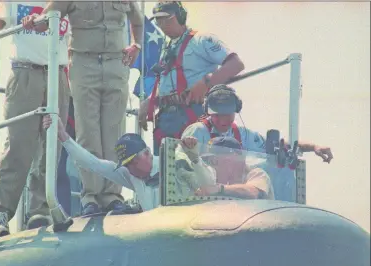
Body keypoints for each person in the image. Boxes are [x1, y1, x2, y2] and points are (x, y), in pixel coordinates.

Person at [23, 1, 145, 216]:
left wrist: (137, 44)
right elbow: (48, 17)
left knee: (114, 134)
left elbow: (138, 20)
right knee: (88, 134)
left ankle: (112, 196)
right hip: (83, 64)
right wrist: (34, 21)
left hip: (117, 64)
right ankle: (91, 197)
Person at [0, 1, 71, 238]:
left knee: (52, 148)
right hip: (25, 73)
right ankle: (2, 213)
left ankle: (40, 211)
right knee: (17, 146)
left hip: (57, 75)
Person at [42, 115, 213, 212]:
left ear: (147, 153)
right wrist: (63, 136)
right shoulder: (131, 174)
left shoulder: (176, 161)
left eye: (133, 162)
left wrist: (195, 159)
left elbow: (210, 184)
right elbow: (92, 163)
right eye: (126, 165)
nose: (129, 170)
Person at [138, 1, 245, 155]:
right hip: (166, 120)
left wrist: (207, 82)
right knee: (165, 171)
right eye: (159, 21)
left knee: (192, 168)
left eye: (167, 19)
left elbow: (236, 64)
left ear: (181, 17)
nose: (162, 25)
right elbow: (165, 84)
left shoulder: (202, 40)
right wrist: (149, 102)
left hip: (192, 114)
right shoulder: (167, 48)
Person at [182, 84, 334, 163]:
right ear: (208, 112)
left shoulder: (244, 135)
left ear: (236, 110)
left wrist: (314, 147)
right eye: (217, 115)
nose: (223, 121)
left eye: (227, 114)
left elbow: (278, 146)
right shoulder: (197, 131)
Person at [194, 136, 275, 200]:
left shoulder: (257, 174)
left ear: (233, 157)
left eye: (214, 161)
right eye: (209, 161)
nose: (211, 166)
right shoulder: (221, 182)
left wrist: (219, 189)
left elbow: (252, 193)